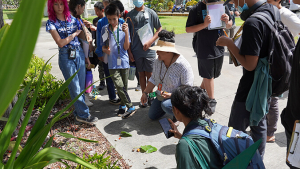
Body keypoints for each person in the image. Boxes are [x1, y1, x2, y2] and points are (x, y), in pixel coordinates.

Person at [216, 0, 276, 158]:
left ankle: (237, 160)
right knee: (259, 122)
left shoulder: (252, 22)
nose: (235, 4)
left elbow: (250, 65)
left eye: (235, 1)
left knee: (235, 129)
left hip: (251, 85)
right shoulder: (271, 9)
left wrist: (229, 43)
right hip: (267, 81)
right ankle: (258, 160)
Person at [46, 0, 98, 124]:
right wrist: (74, 34)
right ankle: (84, 115)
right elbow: (61, 42)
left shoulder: (73, 19)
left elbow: (84, 38)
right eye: (56, 4)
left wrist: (86, 56)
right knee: (74, 88)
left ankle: (78, 113)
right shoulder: (51, 23)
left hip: (79, 53)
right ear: (51, 6)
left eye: (61, 4)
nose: (59, 7)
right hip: (66, 56)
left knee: (80, 87)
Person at [186, 0, 232, 113]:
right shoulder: (196, 9)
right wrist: (204, 25)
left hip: (219, 46)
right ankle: (211, 100)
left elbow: (230, 25)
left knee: (213, 74)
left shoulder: (221, 6)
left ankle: (200, 89)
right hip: (203, 47)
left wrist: (227, 21)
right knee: (208, 75)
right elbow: (188, 29)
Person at [140, 30, 194, 123]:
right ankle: (170, 110)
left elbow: (188, 91)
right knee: (152, 116)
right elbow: (153, 79)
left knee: (166, 105)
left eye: (159, 50)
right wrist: (145, 93)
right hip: (161, 95)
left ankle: (179, 115)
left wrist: (171, 95)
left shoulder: (183, 66)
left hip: (178, 98)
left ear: (168, 51)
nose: (156, 52)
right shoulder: (158, 62)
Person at [266, 0, 300, 143]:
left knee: (273, 98)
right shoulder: (270, 12)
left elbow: (298, 28)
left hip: (280, 61)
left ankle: (270, 132)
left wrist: (286, 43)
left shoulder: (285, 14)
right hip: (273, 60)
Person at [167, 85, 222, 169]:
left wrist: (184, 140)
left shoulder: (184, 146)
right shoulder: (207, 124)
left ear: (176, 110)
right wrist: (181, 136)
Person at [100, 4, 136, 119]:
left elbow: (126, 47)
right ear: (106, 17)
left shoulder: (124, 28)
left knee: (123, 87)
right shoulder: (105, 29)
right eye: (109, 19)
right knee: (119, 85)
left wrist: (126, 33)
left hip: (124, 62)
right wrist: (106, 49)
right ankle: (131, 106)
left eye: (114, 19)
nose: (112, 22)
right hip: (112, 62)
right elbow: (103, 47)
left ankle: (122, 106)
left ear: (118, 16)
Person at [127, 0, 162, 108]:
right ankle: (144, 97)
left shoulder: (151, 13)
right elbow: (126, 35)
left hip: (149, 50)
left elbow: (159, 29)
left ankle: (151, 96)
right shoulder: (129, 15)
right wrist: (129, 52)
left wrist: (150, 41)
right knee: (141, 74)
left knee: (150, 75)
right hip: (136, 51)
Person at [95, 0, 125, 105]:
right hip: (106, 54)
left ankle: (122, 97)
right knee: (109, 76)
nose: (112, 21)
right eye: (109, 18)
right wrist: (100, 53)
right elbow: (99, 39)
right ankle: (112, 96)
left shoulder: (121, 21)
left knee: (119, 77)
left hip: (119, 54)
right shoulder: (101, 23)